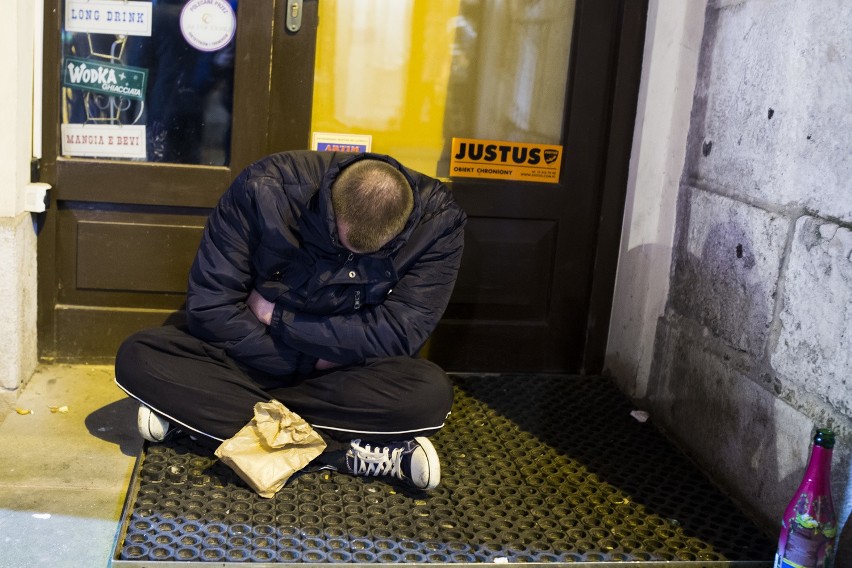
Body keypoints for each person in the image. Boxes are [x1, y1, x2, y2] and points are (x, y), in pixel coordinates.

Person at [114, 150, 466, 491]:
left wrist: (278, 317)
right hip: (253, 356)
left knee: (429, 395)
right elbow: (211, 308)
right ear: (330, 208)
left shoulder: (439, 223)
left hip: (337, 374)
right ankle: (342, 455)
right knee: (139, 356)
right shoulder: (263, 187)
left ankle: (202, 421)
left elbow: (400, 334)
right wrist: (307, 357)